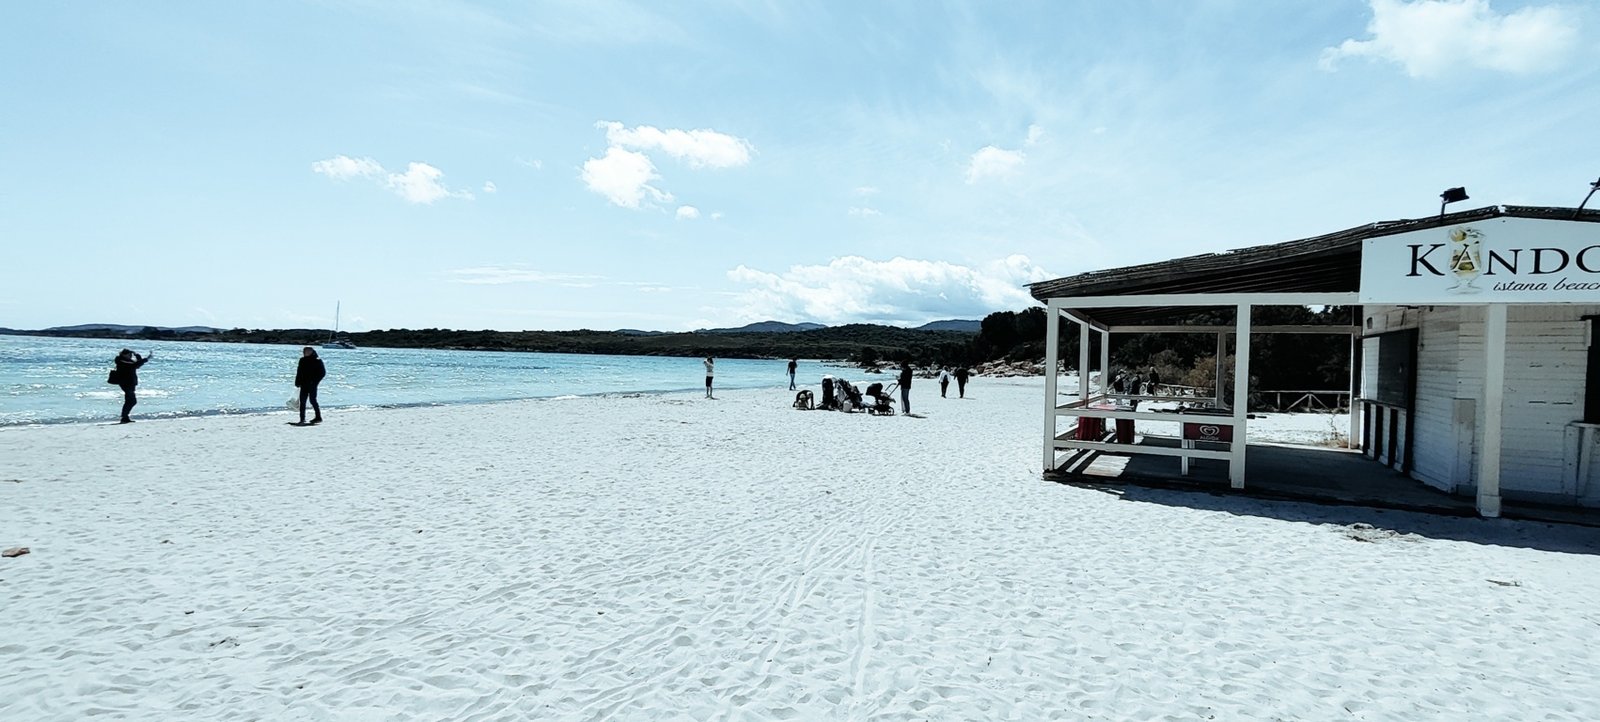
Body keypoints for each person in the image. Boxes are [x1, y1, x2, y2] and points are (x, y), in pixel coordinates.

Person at [112, 349, 152, 423]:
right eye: (129, 354)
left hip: (130, 383)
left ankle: (125, 417)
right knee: (132, 401)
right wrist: (146, 359)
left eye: (131, 355)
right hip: (125, 383)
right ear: (124, 354)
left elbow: (137, 365)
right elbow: (134, 365)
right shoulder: (121, 361)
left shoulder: (128, 361)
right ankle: (124, 417)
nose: (130, 356)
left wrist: (137, 356)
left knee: (130, 400)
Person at [295, 346, 326, 425]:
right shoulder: (302, 360)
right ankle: (302, 419)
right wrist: (297, 382)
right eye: (304, 351)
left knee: (313, 400)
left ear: (312, 352)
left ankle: (318, 417)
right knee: (302, 401)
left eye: (307, 351)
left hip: (312, 384)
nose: (305, 353)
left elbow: (322, 373)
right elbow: (299, 372)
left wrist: (315, 381)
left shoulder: (317, 360)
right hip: (303, 383)